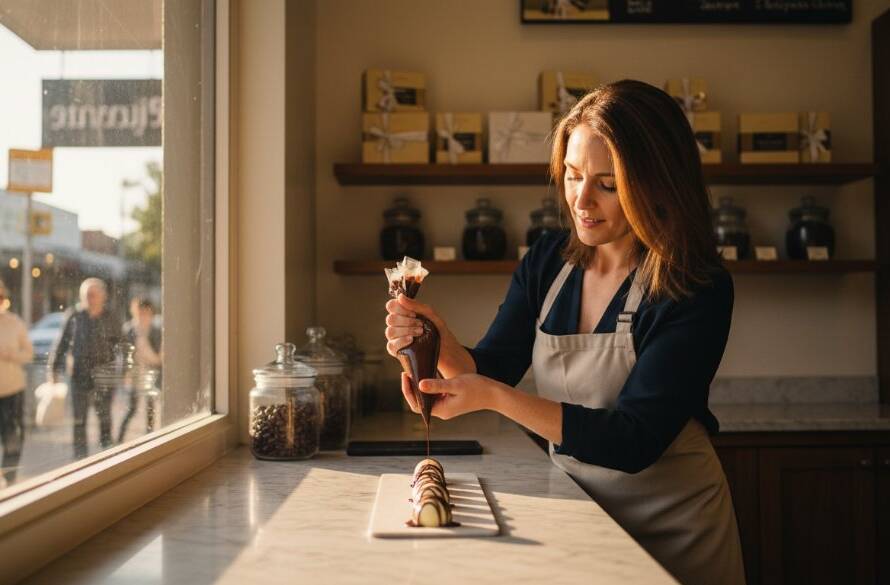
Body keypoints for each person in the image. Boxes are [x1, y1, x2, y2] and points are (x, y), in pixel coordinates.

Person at [384, 80, 745, 585]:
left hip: (676, 528)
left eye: (607, 183)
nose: (581, 200)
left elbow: (634, 441)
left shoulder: (695, 285)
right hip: (579, 512)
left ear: (658, 182)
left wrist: (492, 397)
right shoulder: (549, 262)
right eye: (573, 176)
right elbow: (488, 369)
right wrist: (436, 343)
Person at [48, 278, 120, 459]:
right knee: (79, 422)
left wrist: (124, 372)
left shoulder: (111, 317)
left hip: (104, 376)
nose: (89, 298)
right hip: (79, 376)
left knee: (105, 419)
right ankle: (80, 462)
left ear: (103, 296)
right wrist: (53, 369)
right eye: (86, 295)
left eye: (93, 294)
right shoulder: (74, 315)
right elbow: (61, 343)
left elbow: (122, 344)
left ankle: (107, 458)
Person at [0, 279, 33, 485]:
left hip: (12, 389)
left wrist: (12, 355)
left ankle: (9, 478)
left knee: (13, 436)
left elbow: (29, 354)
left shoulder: (15, 323)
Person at [118, 297, 162, 442]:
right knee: (132, 407)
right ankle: (119, 438)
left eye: (146, 312)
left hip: (151, 373)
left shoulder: (156, 330)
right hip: (135, 373)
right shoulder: (129, 329)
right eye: (140, 312)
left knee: (150, 408)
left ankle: (149, 437)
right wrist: (125, 374)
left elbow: (159, 357)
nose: (143, 315)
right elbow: (125, 355)